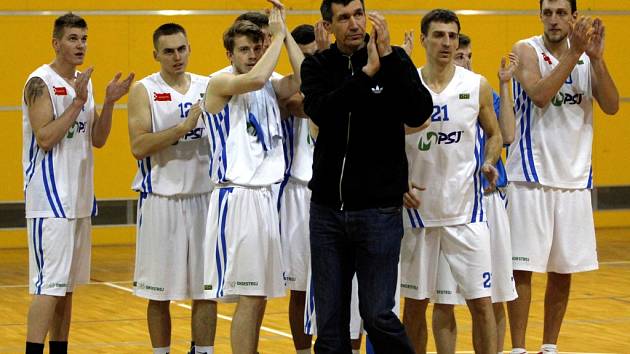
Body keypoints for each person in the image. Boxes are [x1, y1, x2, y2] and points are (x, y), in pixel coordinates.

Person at [300, 0, 433, 352]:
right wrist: (365, 76)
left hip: (378, 213)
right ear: (328, 26)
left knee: (377, 315)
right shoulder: (317, 66)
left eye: (359, 14)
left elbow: (420, 111)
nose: (354, 24)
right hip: (327, 212)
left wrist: (388, 60)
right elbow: (322, 112)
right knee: (329, 327)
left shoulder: (394, 61)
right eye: (343, 18)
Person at [506, 1, 619, 353]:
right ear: (540, 15)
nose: (553, 19)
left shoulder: (586, 58)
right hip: (530, 175)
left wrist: (596, 58)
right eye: (547, 12)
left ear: (573, 17)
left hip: (573, 178)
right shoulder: (526, 50)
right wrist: (575, 52)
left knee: (562, 269)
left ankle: (549, 346)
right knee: (522, 267)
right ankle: (519, 348)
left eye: (560, 13)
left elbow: (613, 105)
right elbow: (539, 95)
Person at [21, 12, 133, 354]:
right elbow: (44, 138)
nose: (80, 45)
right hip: (50, 201)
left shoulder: (84, 83)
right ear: (56, 43)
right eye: (72, 38)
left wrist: (110, 102)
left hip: (79, 200)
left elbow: (97, 138)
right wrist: (77, 103)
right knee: (48, 287)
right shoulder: (39, 82)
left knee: (66, 289)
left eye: (83, 38)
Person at [202, 1, 305, 352]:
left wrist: (285, 34)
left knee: (259, 295)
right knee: (248, 295)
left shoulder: (270, 84)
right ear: (230, 52)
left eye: (257, 47)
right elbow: (256, 76)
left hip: (266, 197)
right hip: (237, 196)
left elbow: (306, 79)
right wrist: (275, 35)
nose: (252, 54)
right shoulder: (221, 82)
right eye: (244, 49)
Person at [400, 9, 503, 354]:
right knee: (414, 307)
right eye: (439, 35)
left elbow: (495, 135)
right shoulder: (407, 85)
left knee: (481, 304)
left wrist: (489, 161)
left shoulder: (476, 85)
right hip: (418, 216)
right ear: (424, 39)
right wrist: (399, 183)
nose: (447, 42)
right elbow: (384, 143)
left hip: (466, 213)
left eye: (452, 36)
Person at [425, 32, 519, 354]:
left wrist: (504, 85)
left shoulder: (481, 90)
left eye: (467, 55)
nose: (462, 59)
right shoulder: (433, 94)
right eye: (458, 55)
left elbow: (506, 134)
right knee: (444, 298)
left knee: (495, 297)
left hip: (489, 199)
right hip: (450, 204)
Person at [126, 23, 215, 354]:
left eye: (181, 49)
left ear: (190, 48)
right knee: (159, 292)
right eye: (168, 51)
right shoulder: (143, 90)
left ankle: (203, 351)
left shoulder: (209, 86)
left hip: (204, 197)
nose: (177, 56)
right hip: (162, 199)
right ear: (156, 55)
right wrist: (183, 127)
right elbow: (139, 145)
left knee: (206, 290)